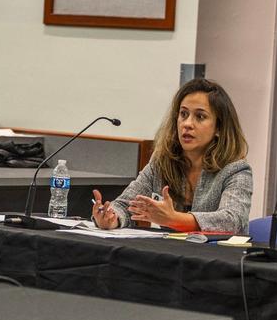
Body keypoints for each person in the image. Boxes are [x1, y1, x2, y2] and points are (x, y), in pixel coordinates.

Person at [91, 78, 253, 234]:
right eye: (183, 114)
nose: (187, 124)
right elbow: (126, 205)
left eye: (200, 116)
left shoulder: (236, 170)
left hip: (219, 258)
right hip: (173, 257)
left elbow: (232, 221)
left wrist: (174, 219)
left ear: (219, 128)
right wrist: (111, 218)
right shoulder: (162, 163)